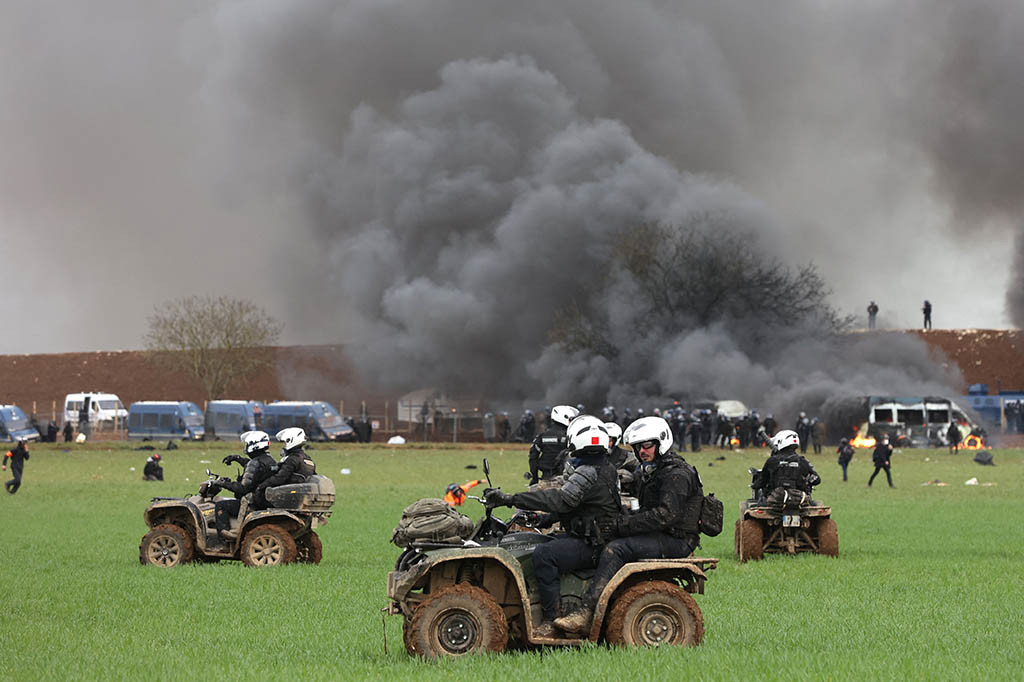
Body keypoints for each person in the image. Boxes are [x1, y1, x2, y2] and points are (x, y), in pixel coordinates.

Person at [554, 416, 704, 635]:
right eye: (637, 447)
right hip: (663, 533)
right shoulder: (654, 470)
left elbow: (665, 515)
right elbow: (648, 511)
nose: (641, 451)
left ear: (661, 442)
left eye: (646, 446)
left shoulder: (676, 474)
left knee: (617, 549)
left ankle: (587, 612)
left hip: (678, 540)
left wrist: (621, 524)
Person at [484, 417, 619, 638]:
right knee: (543, 542)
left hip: (592, 544)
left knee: (543, 555)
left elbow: (560, 500)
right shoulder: (605, 467)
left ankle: (549, 620)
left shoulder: (588, 471)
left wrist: (510, 499)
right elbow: (579, 505)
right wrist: (544, 521)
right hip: (593, 537)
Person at [213, 430, 278, 542]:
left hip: (253, 502)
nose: (246, 447)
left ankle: (223, 540)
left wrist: (223, 483)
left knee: (221, 505)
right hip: (264, 500)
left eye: (247, 444)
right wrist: (237, 459)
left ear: (254, 445)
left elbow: (242, 488)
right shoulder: (270, 460)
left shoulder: (255, 463)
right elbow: (257, 469)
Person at [754, 429, 821, 506]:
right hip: (799, 502)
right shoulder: (802, 461)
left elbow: (762, 481)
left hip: (775, 503)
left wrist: (755, 485)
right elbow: (817, 480)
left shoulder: (772, 461)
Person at [257, 427, 317, 497]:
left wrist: (261, 486)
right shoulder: (309, 460)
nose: (284, 446)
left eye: (285, 443)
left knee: (256, 497)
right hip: (302, 496)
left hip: (289, 496)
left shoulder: (292, 459)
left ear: (291, 440)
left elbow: (280, 478)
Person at [528, 404, 579, 484]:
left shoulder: (542, 436)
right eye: (571, 419)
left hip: (545, 479)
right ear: (564, 417)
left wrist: (534, 478)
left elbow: (533, 457)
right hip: (566, 481)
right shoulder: (570, 436)